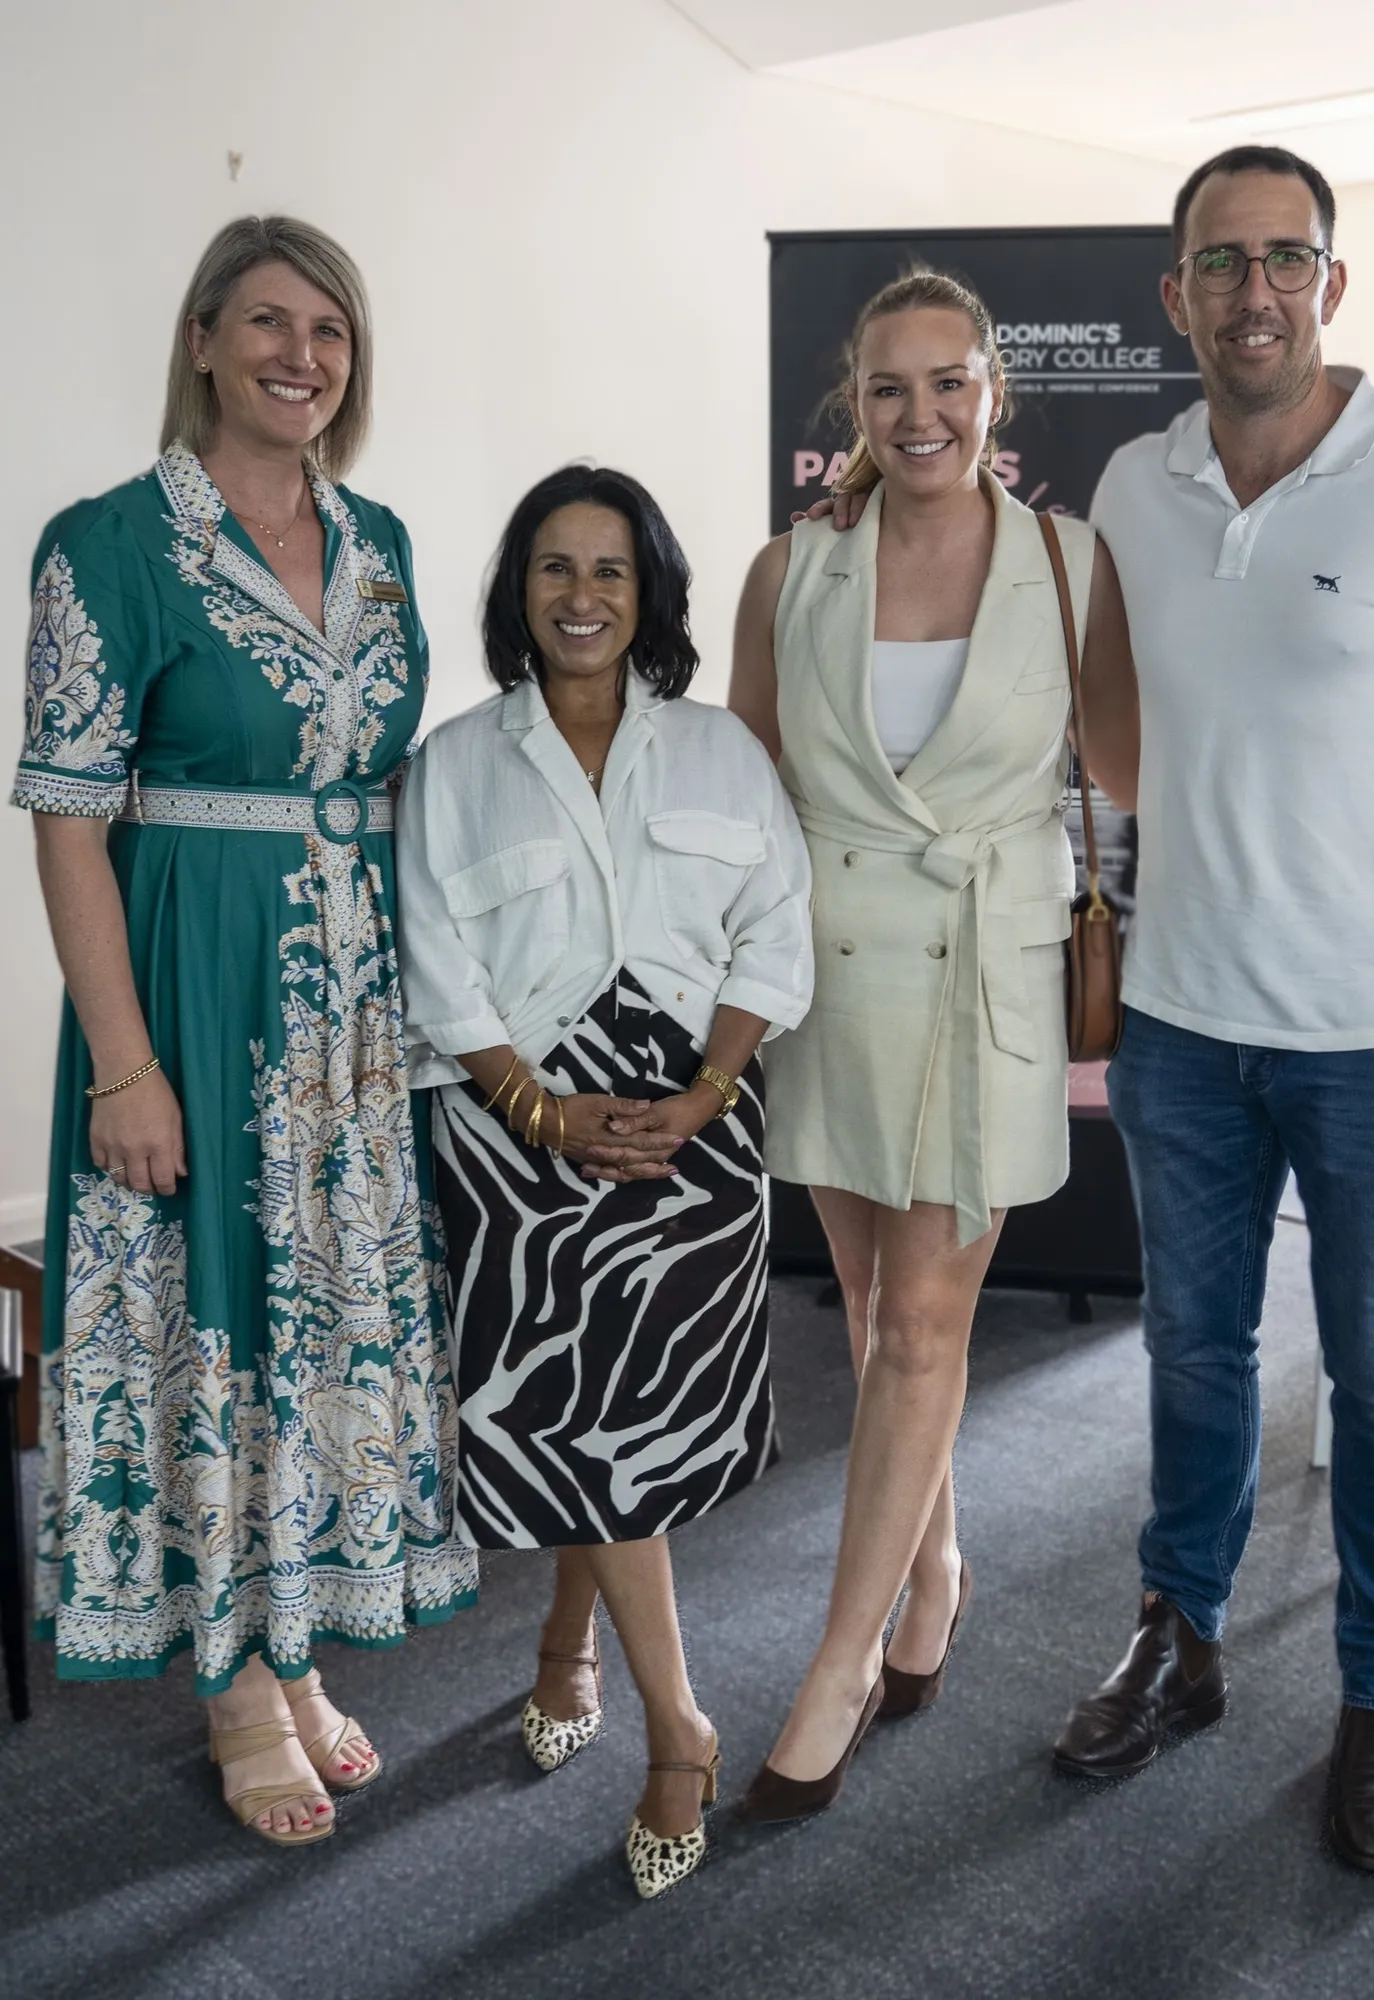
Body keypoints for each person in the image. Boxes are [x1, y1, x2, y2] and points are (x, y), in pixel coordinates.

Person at [1055, 146, 1374, 1875]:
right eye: (1222, 262)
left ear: (1331, 283)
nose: (1254, 290)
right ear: (1176, 294)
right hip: (1185, 1025)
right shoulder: (1133, 484)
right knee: (1193, 1357)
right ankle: (1180, 1638)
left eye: (1286, 257)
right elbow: (1117, 736)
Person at [12, 216, 478, 1845]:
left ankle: (290, 1645)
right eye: (269, 322)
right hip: (191, 985)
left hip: (353, 1008)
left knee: (319, 1317)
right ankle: (231, 1687)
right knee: (210, 1305)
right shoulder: (106, 543)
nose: (302, 355)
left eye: (329, 330)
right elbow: (68, 822)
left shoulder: (379, 538)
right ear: (203, 339)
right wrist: (125, 1064)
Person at [728, 270, 1132, 1821]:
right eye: (889, 388)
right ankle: (937, 1565)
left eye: (948, 382)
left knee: (919, 1327)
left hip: (985, 974)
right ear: (855, 401)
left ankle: (840, 1663)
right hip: (833, 972)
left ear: (993, 389)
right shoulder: (792, 569)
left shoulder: (1071, 563)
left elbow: (1131, 761)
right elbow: (748, 786)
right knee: (871, 1306)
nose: (921, 416)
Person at [395, 464, 813, 1897]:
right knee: (581, 1410)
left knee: (617, 1420)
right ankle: (678, 1728)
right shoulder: (455, 763)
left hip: (695, 1123)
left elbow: (776, 932)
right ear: (519, 590)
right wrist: (543, 1114)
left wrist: (703, 1097)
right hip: (516, 1128)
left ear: (652, 593)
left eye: (610, 570)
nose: (582, 596)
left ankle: (569, 1647)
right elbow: (437, 964)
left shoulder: (720, 751)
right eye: (555, 568)